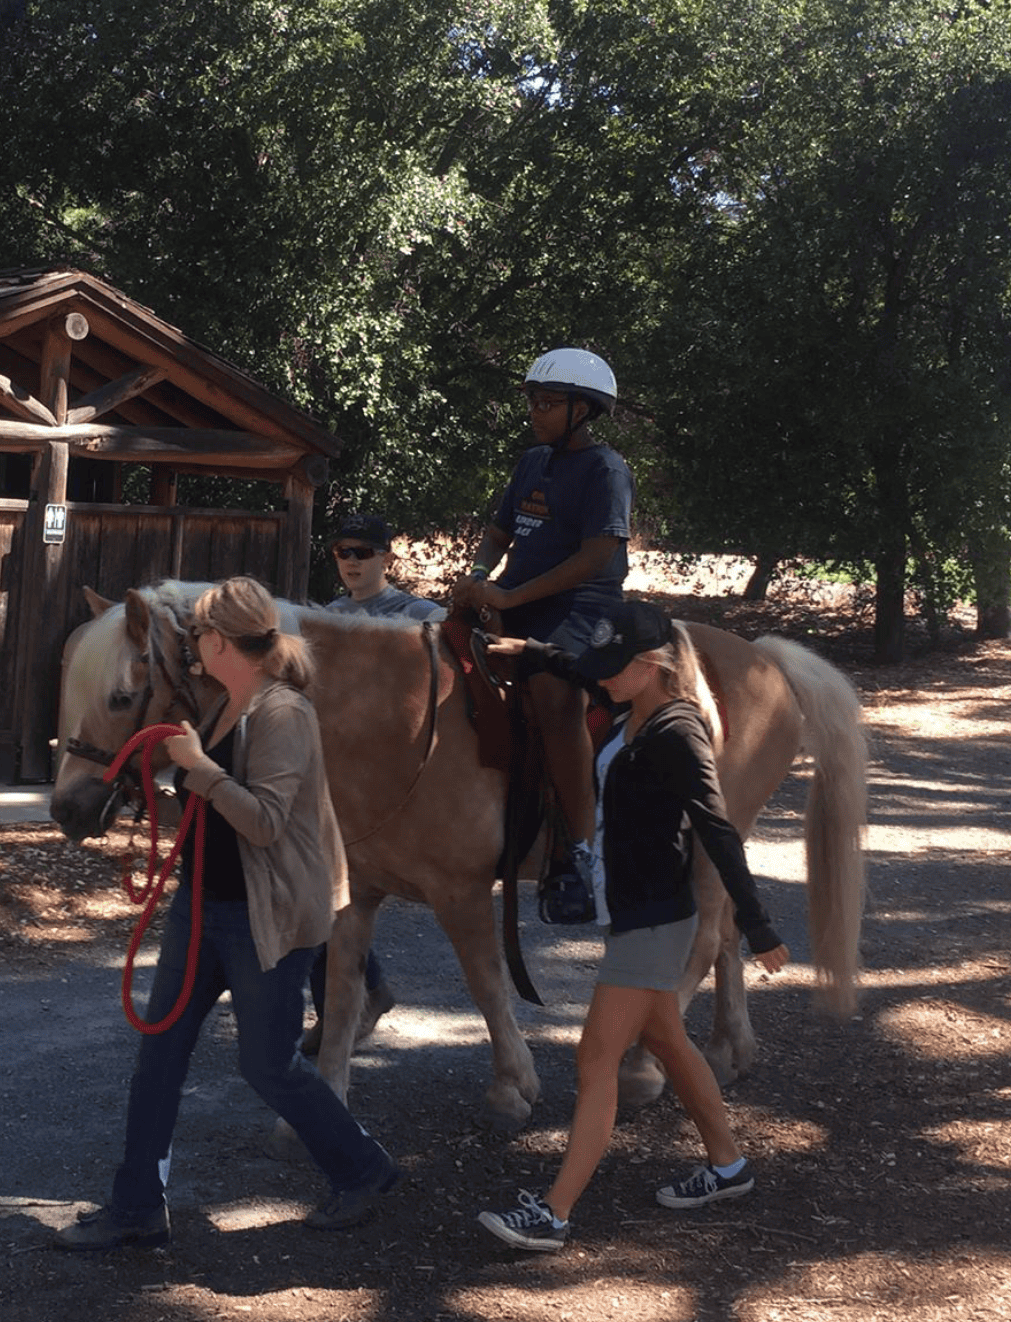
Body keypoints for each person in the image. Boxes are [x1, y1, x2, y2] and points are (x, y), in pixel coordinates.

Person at [56, 576, 400, 1250]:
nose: (189, 649)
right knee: (158, 1056)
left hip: (263, 915)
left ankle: (364, 1167)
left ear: (218, 641)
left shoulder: (281, 713)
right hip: (204, 904)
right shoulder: (220, 705)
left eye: (196, 638)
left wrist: (198, 771)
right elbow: (206, 796)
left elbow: (266, 822)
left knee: (268, 1066)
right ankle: (138, 1207)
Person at [472, 599, 790, 1253]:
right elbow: (583, 673)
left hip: (652, 923)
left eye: (616, 666)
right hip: (632, 915)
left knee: (596, 1061)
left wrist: (757, 927)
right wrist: (534, 656)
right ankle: (728, 1166)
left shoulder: (679, 731)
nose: (603, 676)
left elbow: (718, 830)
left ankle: (554, 1215)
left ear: (652, 666)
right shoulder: (627, 703)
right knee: (671, 1044)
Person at [451, 348, 633, 918]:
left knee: (555, 698)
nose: (535, 410)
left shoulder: (607, 470)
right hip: (518, 598)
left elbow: (597, 555)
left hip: (583, 608)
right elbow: (500, 529)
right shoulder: (531, 461)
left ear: (584, 410)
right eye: (532, 399)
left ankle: (580, 852)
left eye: (548, 402)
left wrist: (509, 597)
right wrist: (480, 578)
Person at [302, 512, 446, 1055]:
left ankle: (362, 997)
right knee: (316, 891)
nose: (352, 561)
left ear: (388, 555)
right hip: (337, 783)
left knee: (337, 894)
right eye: (343, 551)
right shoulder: (327, 619)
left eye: (363, 550)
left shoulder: (421, 616)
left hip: (403, 788)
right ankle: (356, 998)